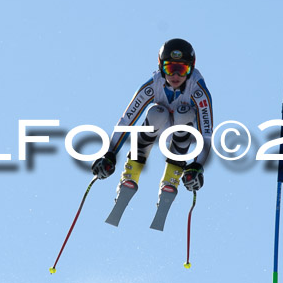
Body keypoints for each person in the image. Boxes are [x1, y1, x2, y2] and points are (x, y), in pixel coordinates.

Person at [91, 38, 213, 227]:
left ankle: (171, 179)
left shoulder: (198, 90)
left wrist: (197, 166)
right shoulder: (154, 84)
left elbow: (206, 134)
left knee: (185, 113)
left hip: (183, 131)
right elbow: (127, 120)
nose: (175, 75)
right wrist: (109, 154)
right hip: (159, 125)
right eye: (170, 67)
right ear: (161, 66)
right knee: (156, 113)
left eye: (182, 69)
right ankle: (131, 174)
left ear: (191, 69)